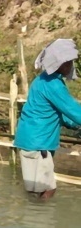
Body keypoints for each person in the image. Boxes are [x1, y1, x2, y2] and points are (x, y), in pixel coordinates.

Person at [14, 38, 81, 199]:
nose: (71, 65)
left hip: (30, 140)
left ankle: (30, 218)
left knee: (35, 189)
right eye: (68, 62)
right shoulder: (53, 85)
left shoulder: (42, 80)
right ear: (59, 64)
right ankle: (40, 220)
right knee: (47, 189)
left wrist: (73, 124)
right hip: (39, 142)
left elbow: (58, 112)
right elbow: (72, 110)